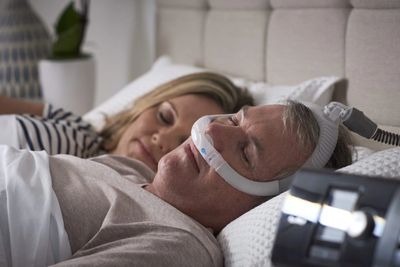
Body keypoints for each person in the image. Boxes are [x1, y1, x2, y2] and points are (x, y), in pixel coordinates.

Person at [0, 101, 352, 266]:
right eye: (234, 119)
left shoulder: (179, 244)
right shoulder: (131, 170)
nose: (212, 131)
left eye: (246, 152)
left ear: (263, 201)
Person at [0, 72, 253, 171]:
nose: (162, 139)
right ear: (144, 104)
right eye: (165, 116)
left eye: (184, 143)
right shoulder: (76, 124)